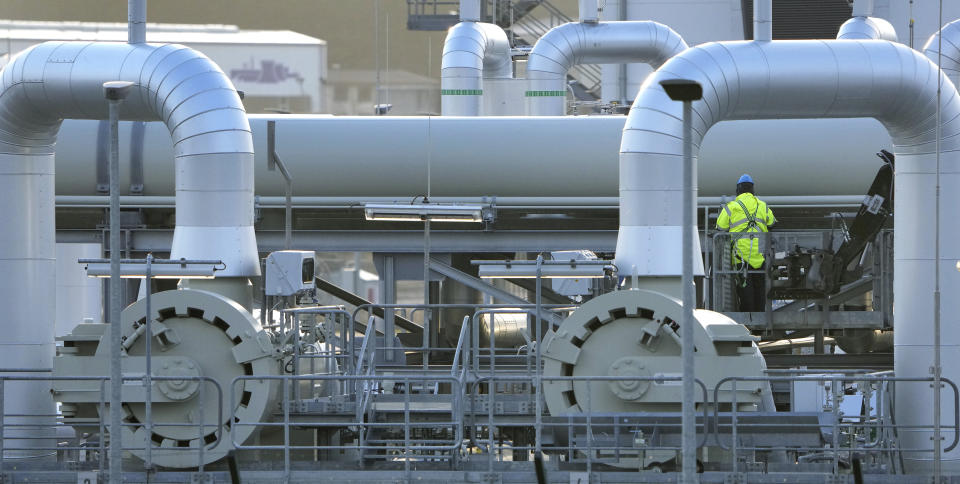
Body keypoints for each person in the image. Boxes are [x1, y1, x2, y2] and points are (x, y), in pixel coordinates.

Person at [716, 174, 776, 312]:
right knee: (760, 290)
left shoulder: (732, 207)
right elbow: (772, 223)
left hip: (740, 257)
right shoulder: (762, 206)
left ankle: (748, 324)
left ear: (738, 190)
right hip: (760, 257)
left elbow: (720, 227)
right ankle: (760, 319)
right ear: (752, 190)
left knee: (745, 290)